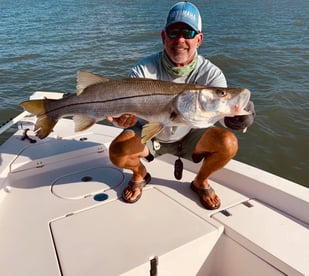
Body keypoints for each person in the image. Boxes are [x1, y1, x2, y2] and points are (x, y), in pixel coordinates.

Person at [107, 1, 254, 209]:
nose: (180, 40)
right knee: (117, 152)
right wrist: (122, 120)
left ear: (199, 39)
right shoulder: (143, 71)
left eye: (188, 32)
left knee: (229, 143)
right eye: (174, 32)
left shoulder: (211, 75)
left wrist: (237, 119)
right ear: (164, 36)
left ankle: (200, 181)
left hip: (190, 134)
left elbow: (220, 112)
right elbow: (121, 111)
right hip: (151, 132)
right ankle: (140, 175)